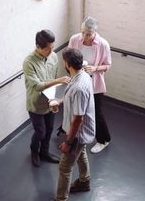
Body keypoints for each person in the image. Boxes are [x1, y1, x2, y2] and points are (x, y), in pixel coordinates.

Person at [52, 48, 96, 201]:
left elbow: (78, 119)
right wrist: (60, 100)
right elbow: (74, 101)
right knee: (81, 153)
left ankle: (61, 199)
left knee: (64, 168)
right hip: (81, 134)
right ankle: (85, 181)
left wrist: (68, 142)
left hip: (77, 134)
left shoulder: (78, 88)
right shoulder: (83, 75)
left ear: (67, 64)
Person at [22, 29, 70, 167]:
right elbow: (37, 86)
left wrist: (54, 99)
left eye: (52, 48)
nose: (51, 52)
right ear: (38, 46)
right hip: (36, 104)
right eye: (48, 49)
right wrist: (59, 80)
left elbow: (53, 78)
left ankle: (44, 153)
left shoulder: (53, 56)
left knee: (49, 130)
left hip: (50, 101)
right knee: (40, 132)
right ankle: (34, 152)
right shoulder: (28, 62)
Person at [68, 16, 112, 154]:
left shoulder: (103, 44)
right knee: (78, 110)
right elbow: (69, 57)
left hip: (94, 83)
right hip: (78, 80)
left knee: (96, 113)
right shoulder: (75, 39)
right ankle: (77, 135)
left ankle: (103, 140)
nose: (84, 36)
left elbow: (108, 65)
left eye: (88, 34)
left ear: (95, 32)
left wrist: (95, 68)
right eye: (82, 32)